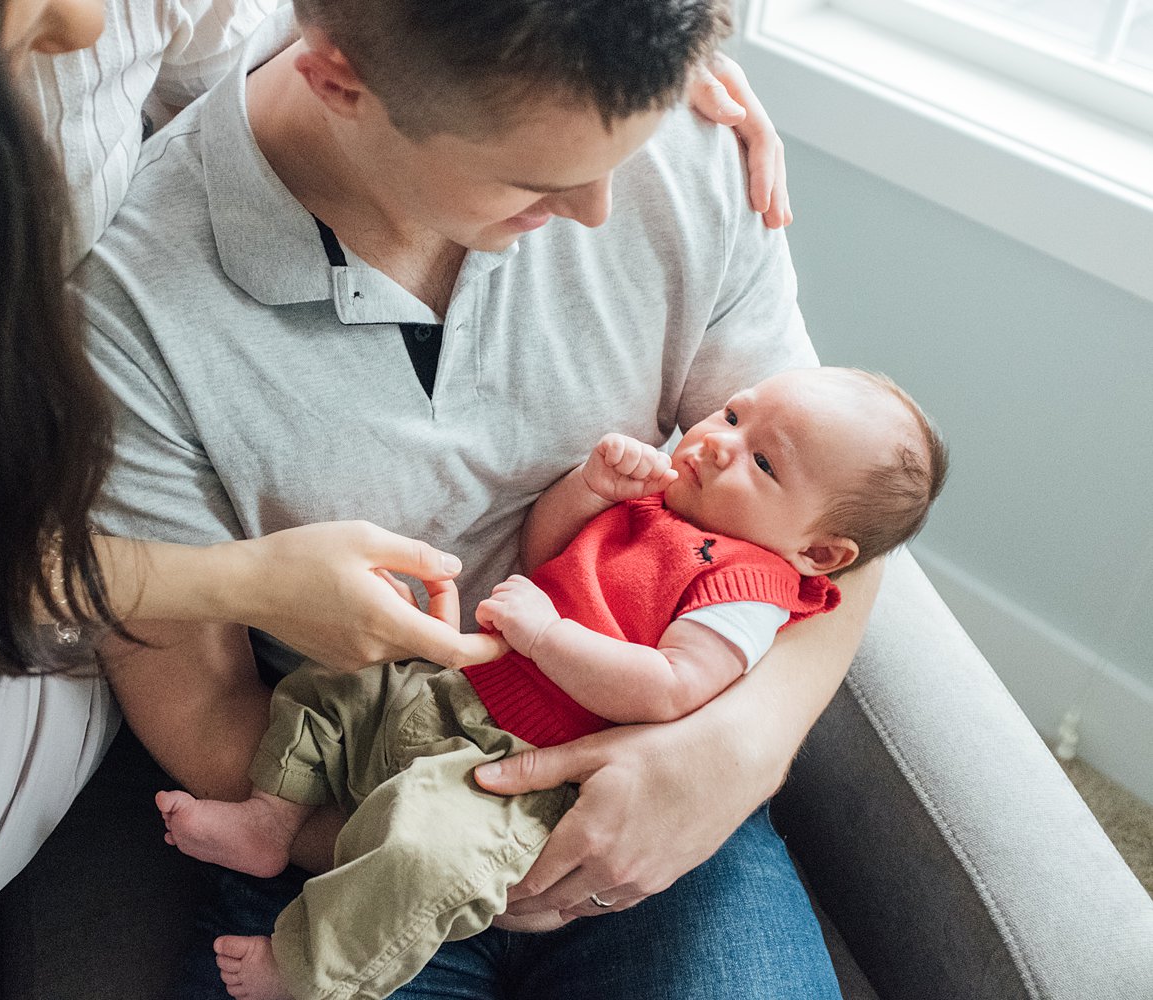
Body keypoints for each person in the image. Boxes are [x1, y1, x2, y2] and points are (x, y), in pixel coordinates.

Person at [78, 1, 885, 997]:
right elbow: (202, 708)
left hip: (658, 790)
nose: (600, 209)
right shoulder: (132, 309)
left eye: (622, 155)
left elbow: (835, 522)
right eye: (540, 179)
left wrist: (733, 757)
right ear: (340, 82)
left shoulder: (674, 135)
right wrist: (440, 849)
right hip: (351, 815)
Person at [151, 367, 947, 1000]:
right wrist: (591, 490)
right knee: (323, 697)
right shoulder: (663, 506)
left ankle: (310, 970)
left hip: (522, 773)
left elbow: (668, 686)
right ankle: (268, 821)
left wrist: (549, 636)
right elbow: (549, 551)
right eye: (733, 417)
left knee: (425, 847)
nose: (717, 445)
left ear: (821, 552)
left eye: (764, 464)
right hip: (457, 693)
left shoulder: (748, 586)